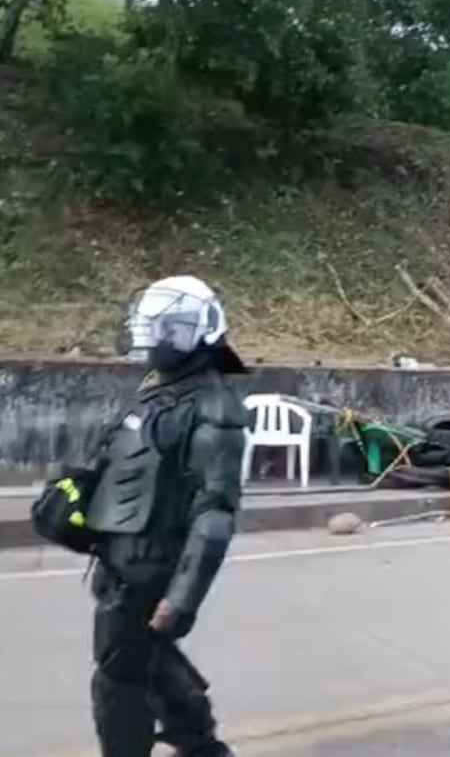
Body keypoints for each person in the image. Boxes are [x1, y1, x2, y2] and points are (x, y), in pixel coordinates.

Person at [86, 275, 249, 757]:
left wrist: (181, 599)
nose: (161, 339)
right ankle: (201, 745)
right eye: (157, 328)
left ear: (204, 331)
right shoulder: (161, 390)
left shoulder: (214, 409)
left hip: (152, 564)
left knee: (118, 679)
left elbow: (215, 516)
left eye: (173, 329)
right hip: (122, 556)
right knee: (150, 657)